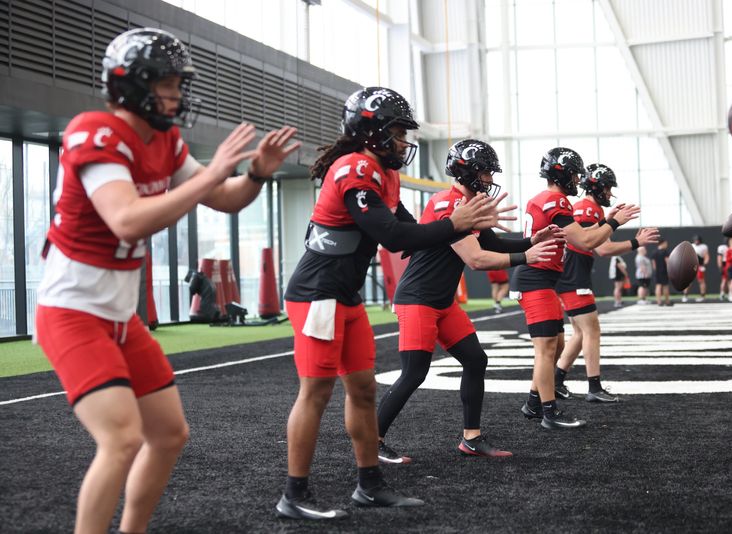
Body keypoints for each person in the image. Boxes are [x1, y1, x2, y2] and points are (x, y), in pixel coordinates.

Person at [34, 28, 301, 534]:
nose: (177, 95)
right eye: (168, 84)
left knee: (169, 433)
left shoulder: (166, 141)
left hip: (118, 315)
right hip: (73, 311)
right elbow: (127, 220)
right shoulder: (96, 130)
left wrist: (257, 175)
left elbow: (224, 198)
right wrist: (213, 172)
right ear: (133, 85)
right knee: (120, 439)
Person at [279, 88, 511, 520]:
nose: (404, 142)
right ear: (371, 131)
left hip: (345, 296)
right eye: (398, 132)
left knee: (364, 390)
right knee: (315, 393)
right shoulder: (354, 168)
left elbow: (412, 230)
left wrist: (463, 226)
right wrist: (454, 223)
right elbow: (394, 237)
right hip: (318, 295)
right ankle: (294, 494)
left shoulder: (383, 173)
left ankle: (369, 486)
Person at [375, 140, 562, 462]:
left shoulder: (467, 204)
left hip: (441, 301)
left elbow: (494, 243)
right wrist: (526, 256)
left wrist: (532, 240)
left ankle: (471, 439)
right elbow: (476, 259)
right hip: (418, 299)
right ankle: (371, 441)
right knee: (414, 373)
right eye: (486, 172)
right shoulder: (449, 204)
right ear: (467, 170)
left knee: (475, 360)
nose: (489, 179)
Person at [517, 147, 640, 429]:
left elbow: (585, 239)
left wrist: (609, 222)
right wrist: (613, 222)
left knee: (557, 344)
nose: (577, 179)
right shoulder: (554, 200)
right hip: (537, 278)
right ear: (561, 174)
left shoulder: (551, 199)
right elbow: (585, 242)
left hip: (546, 279)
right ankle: (549, 412)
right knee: (548, 349)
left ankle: (534, 403)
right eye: (573, 173)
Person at [553, 164, 659, 404]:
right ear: (597, 187)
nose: (610, 194)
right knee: (591, 331)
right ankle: (594, 387)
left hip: (570, 275)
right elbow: (602, 248)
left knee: (581, 332)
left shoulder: (588, 208)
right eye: (608, 188)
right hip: (574, 277)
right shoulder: (588, 209)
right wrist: (636, 242)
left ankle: (557, 380)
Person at [682, 235, 709, 302]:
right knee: (688, 282)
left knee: (701, 281)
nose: (696, 241)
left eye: (698, 240)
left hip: (700, 266)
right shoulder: (691, 245)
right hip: (691, 266)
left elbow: (706, 256)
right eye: (695, 240)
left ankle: (703, 296)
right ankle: (685, 296)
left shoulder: (703, 247)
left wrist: (704, 264)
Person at [651, 238, 672, 306]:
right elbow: (668, 262)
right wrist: (670, 271)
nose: (666, 245)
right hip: (664, 271)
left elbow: (653, 264)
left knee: (658, 286)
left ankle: (659, 302)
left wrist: (655, 271)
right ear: (662, 243)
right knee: (665, 286)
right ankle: (667, 301)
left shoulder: (654, 252)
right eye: (666, 243)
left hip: (657, 272)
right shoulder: (665, 252)